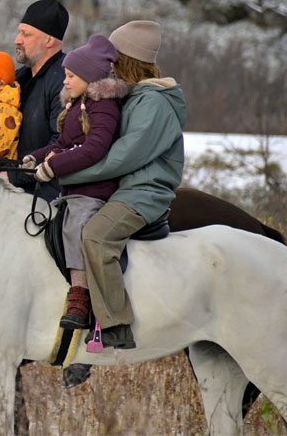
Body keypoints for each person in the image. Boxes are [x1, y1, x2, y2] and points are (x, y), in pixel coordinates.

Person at [60, 20, 187, 349]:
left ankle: (115, 325)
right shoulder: (131, 98)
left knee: (97, 236)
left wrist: (65, 173)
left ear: (127, 61)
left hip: (143, 192)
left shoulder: (154, 103)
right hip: (123, 187)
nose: (108, 66)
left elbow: (123, 158)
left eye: (114, 60)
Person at [24, 35, 129, 330]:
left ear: (90, 78)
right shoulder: (78, 106)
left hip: (94, 192)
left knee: (76, 226)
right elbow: (64, 144)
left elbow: (94, 149)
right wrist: (35, 158)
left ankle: (80, 294)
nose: (65, 81)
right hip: (72, 189)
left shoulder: (103, 108)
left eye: (71, 76)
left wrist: (53, 166)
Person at [7, 0, 69, 202]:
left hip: (44, 196)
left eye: (26, 34)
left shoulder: (65, 80)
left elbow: (61, 143)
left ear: (49, 40)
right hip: (10, 188)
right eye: (19, 32)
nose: (17, 39)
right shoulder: (17, 79)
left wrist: (12, 175)